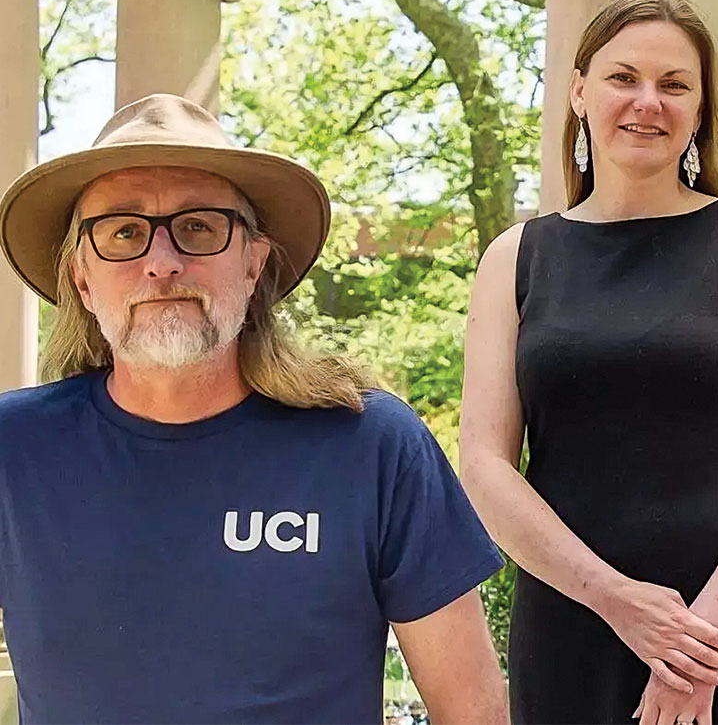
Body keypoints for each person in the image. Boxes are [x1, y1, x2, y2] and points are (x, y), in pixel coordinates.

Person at [0, 94, 508, 723]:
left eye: (199, 227)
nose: (162, 262)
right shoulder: (15, 448)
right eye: (124, 232)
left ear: (253, 263)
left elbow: (473, 710)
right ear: (81, 277)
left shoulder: (371, 446)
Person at [460, 0, 718, 725]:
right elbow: (484, 463)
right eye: (624, 77)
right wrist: (615, 599)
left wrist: (697, 646)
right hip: (570, 624)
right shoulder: (516, 258)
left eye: (675, 84)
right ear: (579, 90)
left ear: (698, 109)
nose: (647, 102)